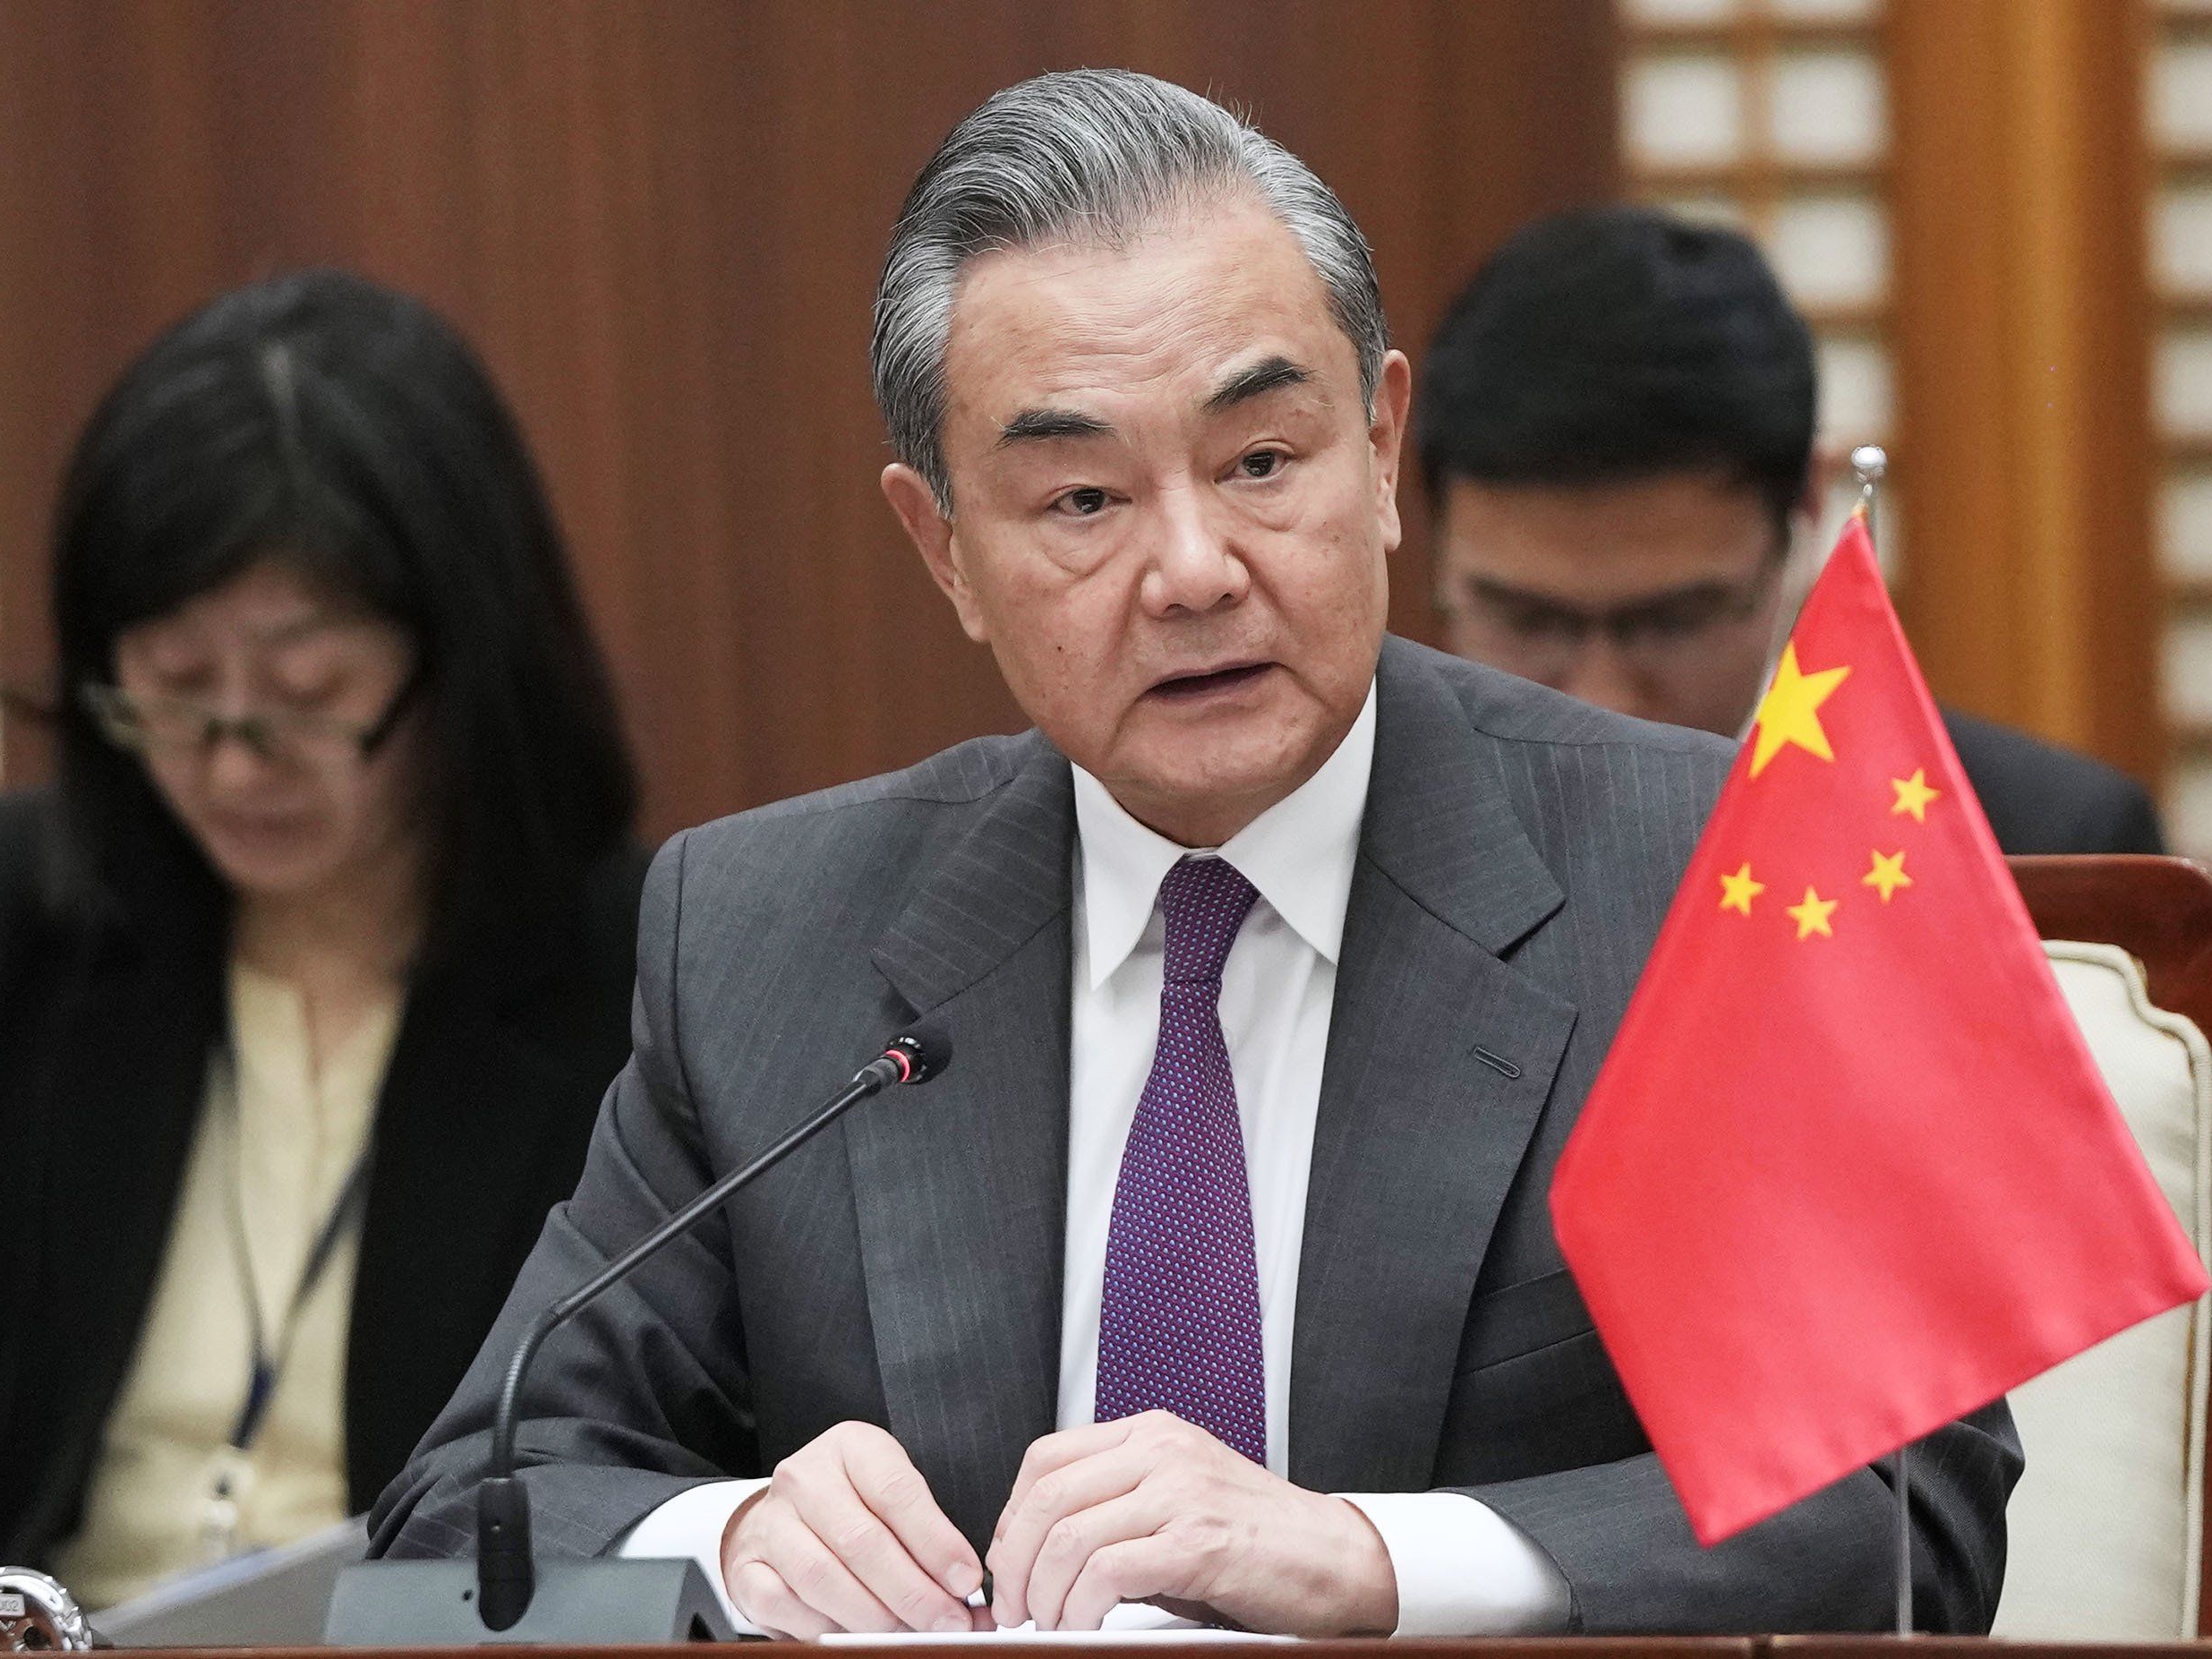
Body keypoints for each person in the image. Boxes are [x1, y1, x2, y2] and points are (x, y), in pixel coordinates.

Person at [372, 72, 2020, 1637]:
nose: (1191, 568)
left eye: (1258, 462)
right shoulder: (766, 937)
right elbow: (468, 1505)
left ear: (1382, 451)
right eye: (1081, 499)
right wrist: (730, 1536)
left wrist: (1372, 1555)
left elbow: (1903, 1503)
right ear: (943, 547)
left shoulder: (1692, 874)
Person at [0, 271, 645, 1605]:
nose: (232, 763)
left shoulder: (640, 977)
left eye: (306, 693)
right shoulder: (12, 925)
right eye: (171, 689)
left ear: (460, 660)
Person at [1421, 205, 2165, 858]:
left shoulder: (2040, 844)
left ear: (1805, 508)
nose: (1602, 701)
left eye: (1673, 621)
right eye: (1527, 619)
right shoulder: (1348, 836)